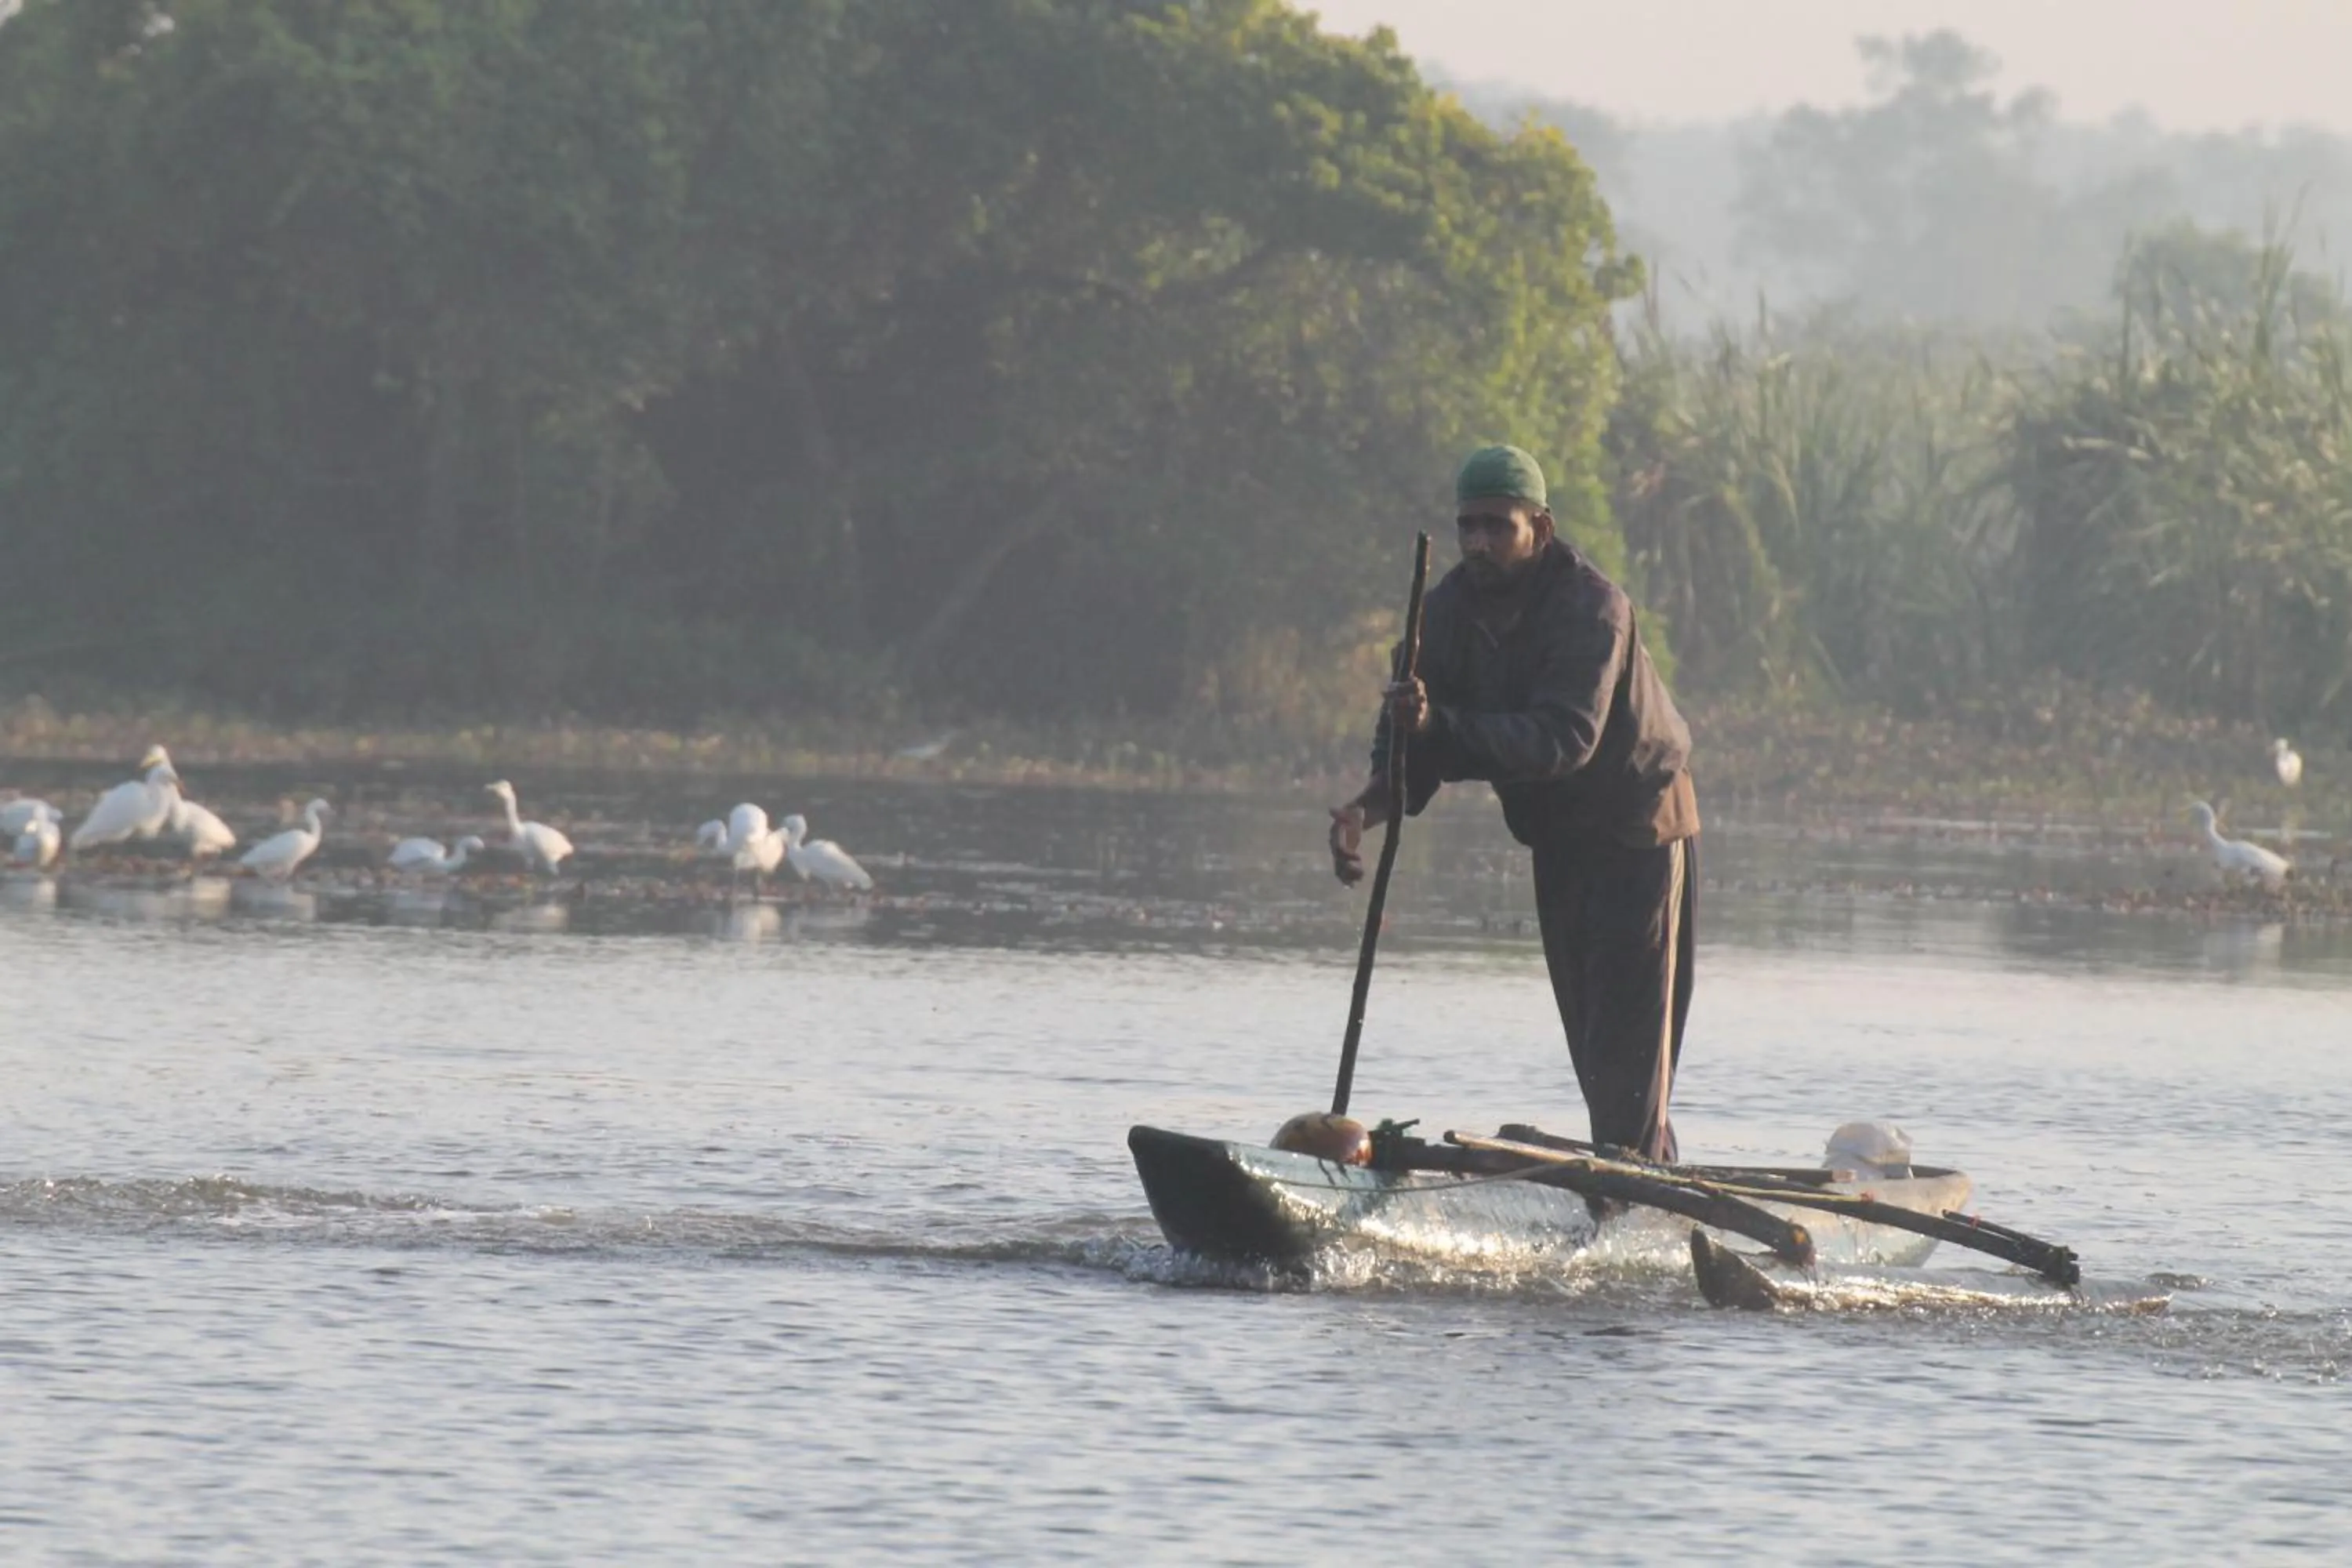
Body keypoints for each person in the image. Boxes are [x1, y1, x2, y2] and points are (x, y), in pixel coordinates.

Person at [1327, 444, 1700, 1163]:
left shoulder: (1593, 608)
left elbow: (1564, 742)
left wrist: (1439, 723)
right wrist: (1363, 813)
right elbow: (1410, 759)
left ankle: (1641, 1199)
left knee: (1629, 1053)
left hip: (1639, 831)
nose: (1479, 544)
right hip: (1558, 841)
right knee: (1594, 1047)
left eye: (1499, 526)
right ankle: (1633, 1179)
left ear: (1542, 530)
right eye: (1469, 526)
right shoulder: (1440, 616)